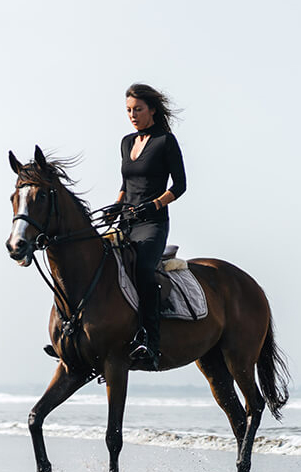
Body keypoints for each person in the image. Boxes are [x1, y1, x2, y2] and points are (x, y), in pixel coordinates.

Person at [115, 83, 186, 370]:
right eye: (129, 110)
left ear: (152, 110)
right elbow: (126, 184)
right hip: (125, 222)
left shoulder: (166, 141)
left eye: (138, 110)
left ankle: (150, 342)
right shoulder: (126, 142)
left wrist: (154, 204)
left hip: (152, 224)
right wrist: (115, 206)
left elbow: (180, 186)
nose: (133, 115)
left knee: (143, 270)